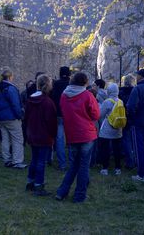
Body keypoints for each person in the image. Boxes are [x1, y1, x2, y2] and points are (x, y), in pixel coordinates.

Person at [56, 72, 100, 203]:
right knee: (83, 166)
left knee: (74, 164)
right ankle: (80, 195)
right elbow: (96, 115)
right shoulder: (87, 95)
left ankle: (62, 192)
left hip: (72, 134)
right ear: (85, 82)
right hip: (86, 133)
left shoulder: (64, 95)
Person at [25, 74, 57, 196]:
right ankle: (39, 185)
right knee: (41, 161)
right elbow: (52, 122)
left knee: (34, 159)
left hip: (32, 134)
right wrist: (52, 136)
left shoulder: (30, 100)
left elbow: (26, 118)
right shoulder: (48, 102)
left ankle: (30, 181)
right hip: (44, 135)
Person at [0, 66, 26, 169]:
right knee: (17, 139)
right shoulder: (10, 88)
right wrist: (20, 115)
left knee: (5, 138)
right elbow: (15, 104)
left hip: (0, 117)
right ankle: (17, 161)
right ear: (10, 77)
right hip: (11, 117)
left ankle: (7, 159)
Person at [99, 83, 123, 176]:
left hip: (107, 129)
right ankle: (118, 168)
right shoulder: (120, 101)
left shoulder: (107, 102)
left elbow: (100, 115)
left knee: (105, 149)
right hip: (118, 128)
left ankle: (105, 168)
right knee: (117, 149)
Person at [51, 66, 71, 171]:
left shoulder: (57, 84)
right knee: (72, 138)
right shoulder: (71, 84)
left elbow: (53, 97)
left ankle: (62, 164)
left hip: (59, 114)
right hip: (71, 115)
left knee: (59, 139)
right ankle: (72, 162)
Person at [119, 74, 137, 169]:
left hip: (122, 118)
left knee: (126, 141)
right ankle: (134, 161)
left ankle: (129, 161)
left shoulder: (120, 92)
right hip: (133, 119)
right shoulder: (135, 91)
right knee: (134, 141)